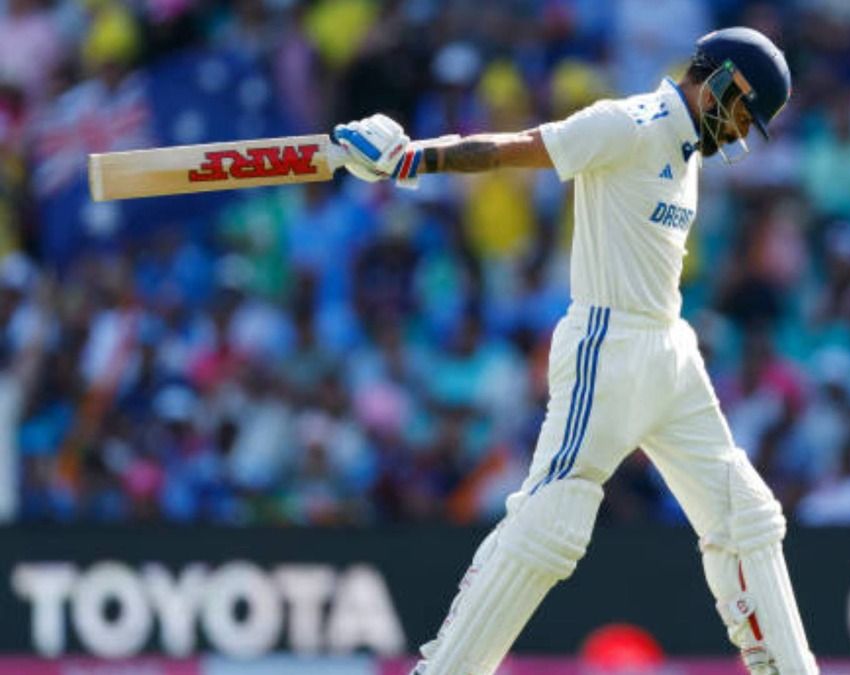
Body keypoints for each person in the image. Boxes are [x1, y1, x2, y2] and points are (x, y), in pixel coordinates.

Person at [333, 27, 819, 675]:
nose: (736, 133)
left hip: (670, 349)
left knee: (747, 515)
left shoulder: (685, 147)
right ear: (723, 81)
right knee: (552, 522)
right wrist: (413, 159)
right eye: (740, 113)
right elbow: (516, 149)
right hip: (608, 342)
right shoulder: (629, 122)